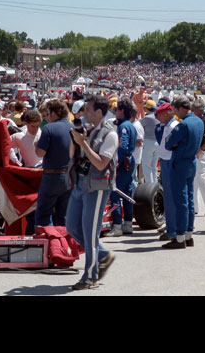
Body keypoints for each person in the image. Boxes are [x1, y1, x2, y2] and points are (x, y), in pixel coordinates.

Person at [66, 94, 119, 290]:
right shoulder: (88, 130)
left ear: (99, 112)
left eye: (88, 109)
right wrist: (76, 140)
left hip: (97, 187)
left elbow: (101, 163)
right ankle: (103, 254)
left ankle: (90, 277)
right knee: (72, 226)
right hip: (80, 183)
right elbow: (72, 156)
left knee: (90, 234)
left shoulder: (110, 134)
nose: (84, 113)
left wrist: (84, 143)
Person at [163, 95, 204, 248]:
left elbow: (168, 144)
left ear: (181, 108)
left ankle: (180, 237)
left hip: (180, 163)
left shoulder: (183, 125)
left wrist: (175, 144)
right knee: (190, 199)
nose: (174, 113)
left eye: (175, 110)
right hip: (191, 161)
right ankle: (188, 234)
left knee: (180, 201)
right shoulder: (198, 121)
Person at [34, 99, 74, 230]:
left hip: (52, 177)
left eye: (48, 112)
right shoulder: (73, 127)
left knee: (43, 214)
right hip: (69, 177)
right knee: (64, 216)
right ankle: (63, 247)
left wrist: (36, 146)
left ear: (54, 112)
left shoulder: (48, 128)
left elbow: (40, 152)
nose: (47, 115)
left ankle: (46, 246)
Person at [105, 96, 137, 236]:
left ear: (122, 110)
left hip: (122, 163)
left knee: (116, 192)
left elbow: (122, 147)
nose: (115, 112)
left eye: (116, 109)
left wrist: (115, 164)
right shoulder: (130, 125)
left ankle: (117, 226)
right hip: (129, 161)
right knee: (127, 193)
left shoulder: (124, 127)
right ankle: (128, 223)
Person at [155, 102, 178, 242]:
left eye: (160, 115)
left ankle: (172, 229)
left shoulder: (173, 126)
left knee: (170, 199)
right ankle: (172, 228)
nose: (158, 118)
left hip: (170, 162)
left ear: (168, 113)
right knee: (168, 198)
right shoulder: (166, 126)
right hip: (166, 162)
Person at [139, 99, 159, 184]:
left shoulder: (147, 118)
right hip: (157, 142)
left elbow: (138, 124)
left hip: (148, 142)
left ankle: (149, 186)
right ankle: (155, 185)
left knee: (147, 167)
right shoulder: (157, 116)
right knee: (154, 166)